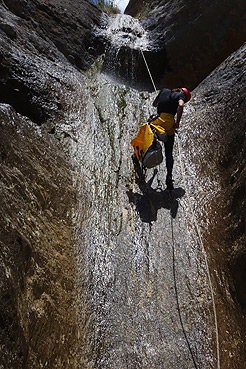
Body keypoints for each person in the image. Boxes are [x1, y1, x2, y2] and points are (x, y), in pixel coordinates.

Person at [152, 87, 191, 190]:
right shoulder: (181, 95)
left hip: (157, 121)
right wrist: (177, 122)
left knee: (149, 134)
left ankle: (139, 155)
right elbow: (181, 105)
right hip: (169, 123)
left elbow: (154, 104)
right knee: (168, 152)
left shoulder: (164, 90)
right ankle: (169, 176)